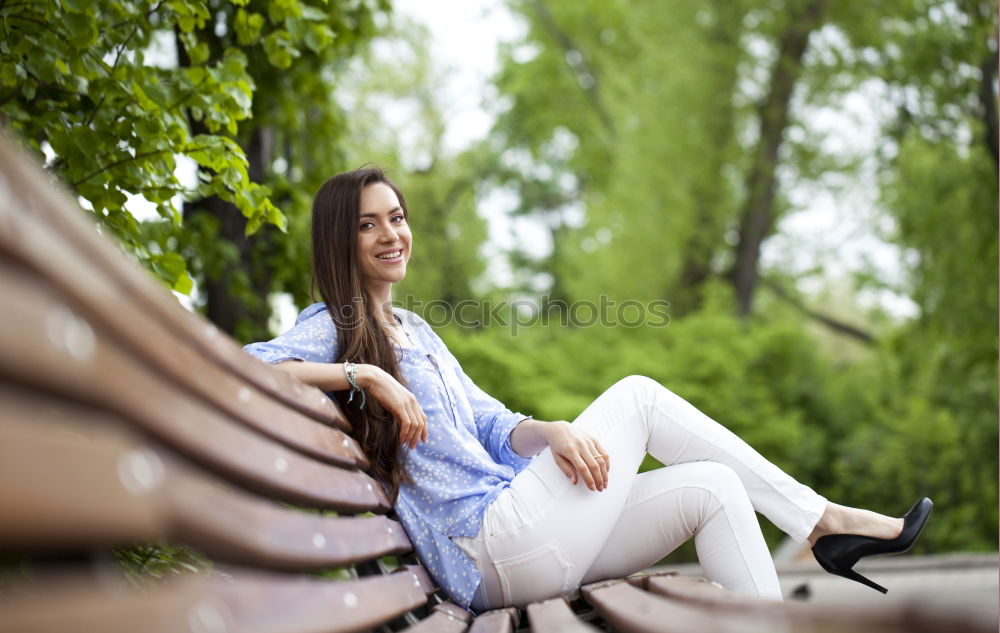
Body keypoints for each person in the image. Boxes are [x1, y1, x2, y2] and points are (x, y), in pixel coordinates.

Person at [243, 166, 932, 612]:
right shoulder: (331, 325)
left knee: (713, 488)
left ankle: (816, 535)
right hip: (483, 544)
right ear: (340, 239)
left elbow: (490, 424)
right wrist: (363, 375)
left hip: (518, 530)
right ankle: (822, 522)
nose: (391, 233)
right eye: (369, 223)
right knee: (637, 393)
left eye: (396, 216)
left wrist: (552, 432)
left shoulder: (414, 326)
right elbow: (245, 367)